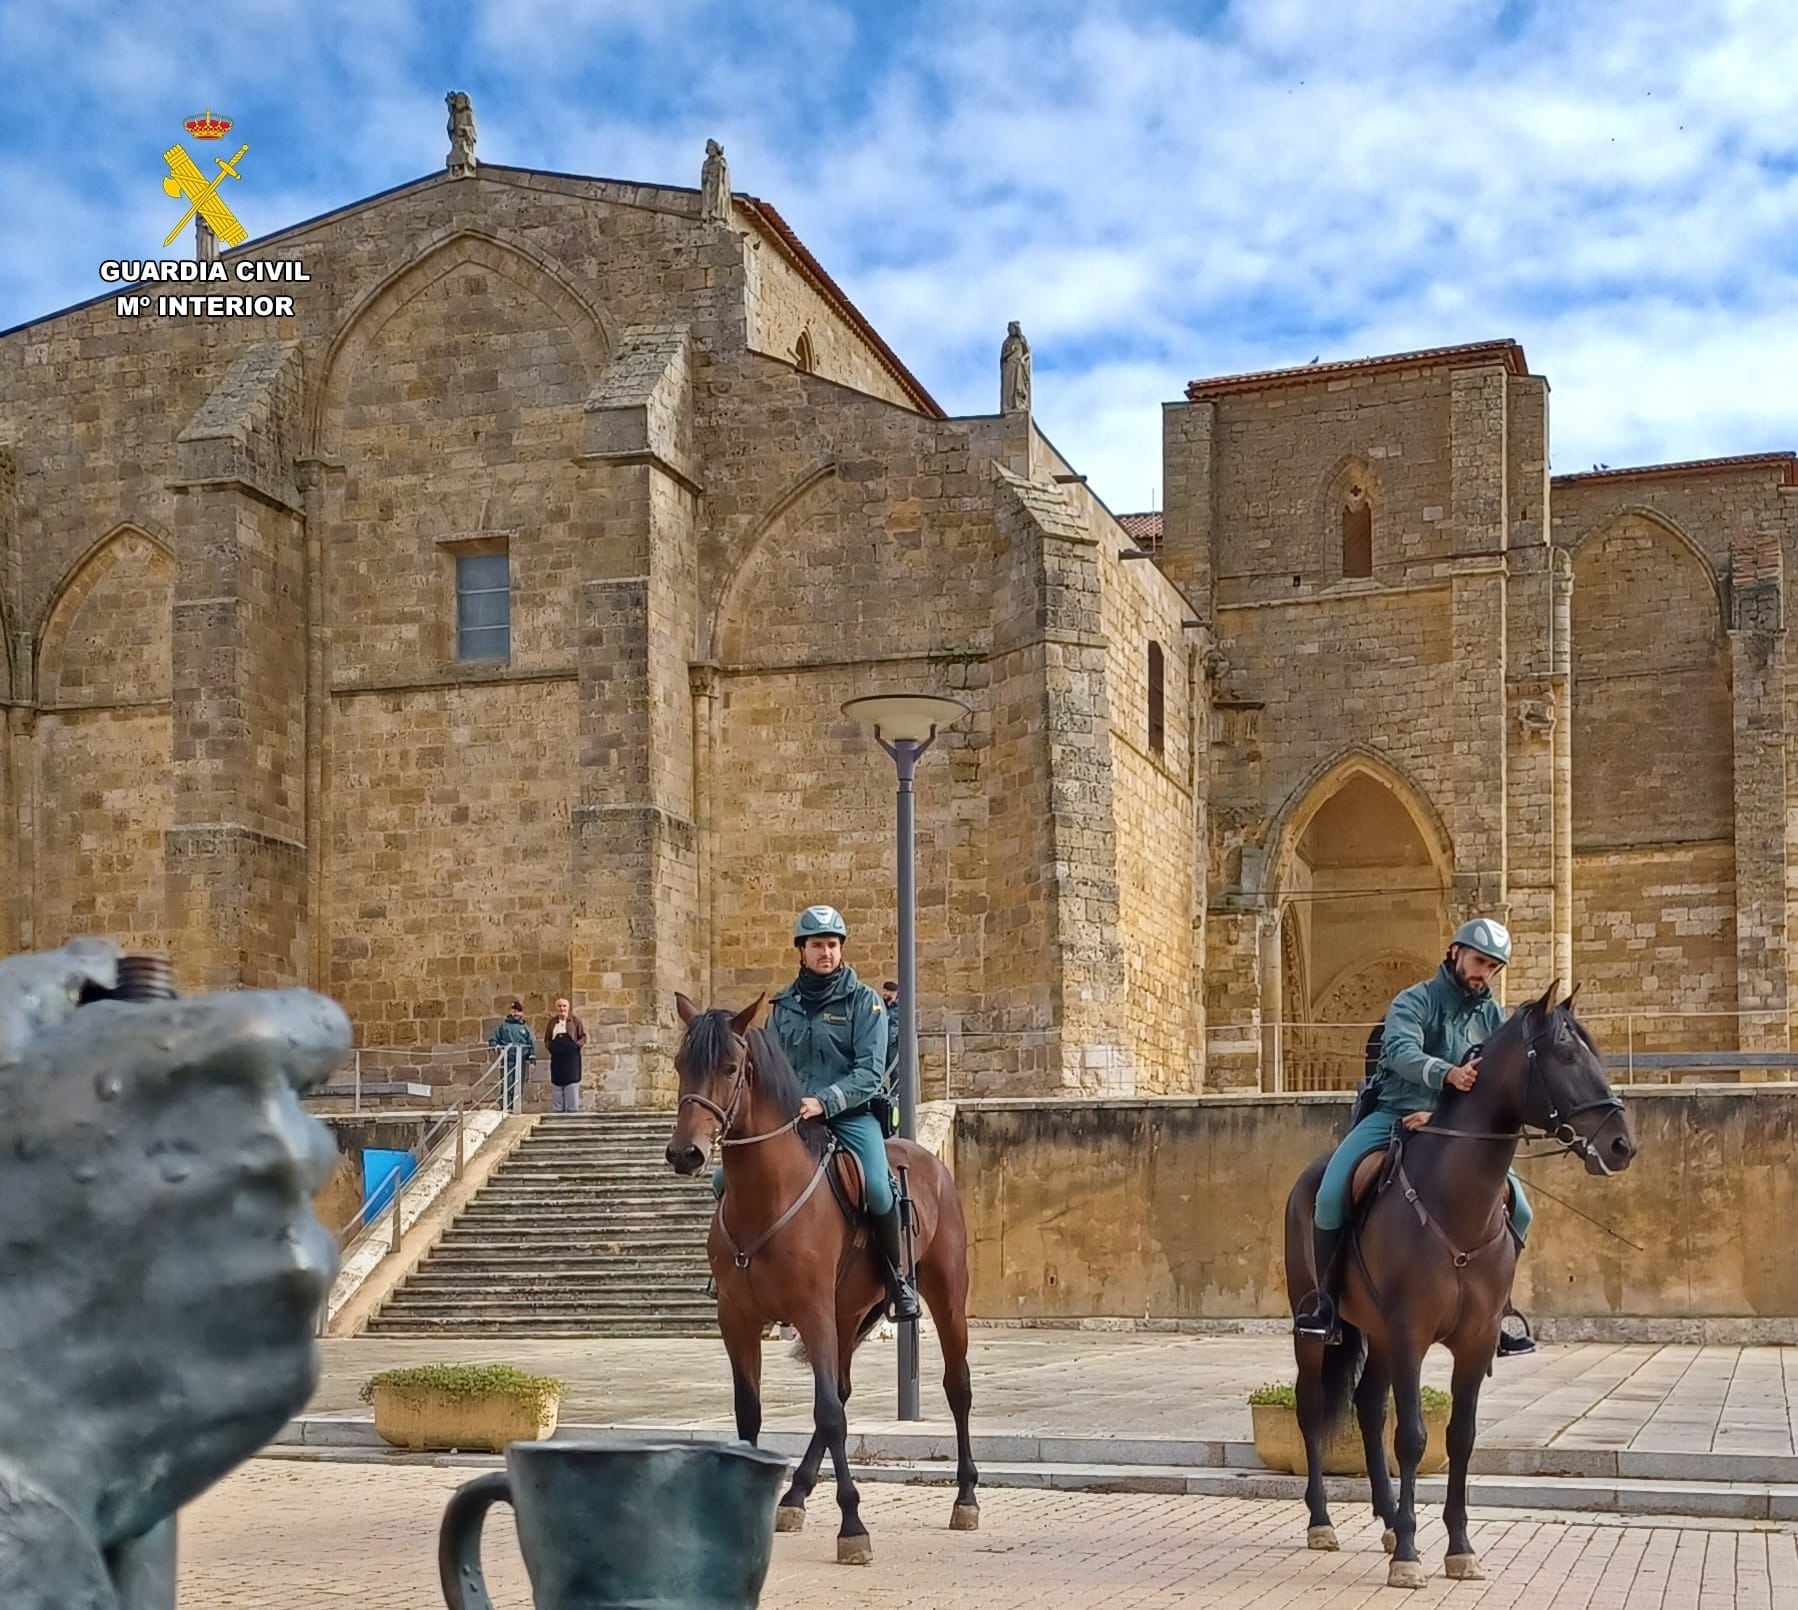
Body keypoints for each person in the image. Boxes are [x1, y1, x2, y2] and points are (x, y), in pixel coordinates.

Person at [1294, 917, 1535, 1351]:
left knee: (1522, 1212)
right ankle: (1325, 1303)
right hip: (1391, 1114)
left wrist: (1447, 1113)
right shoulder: (1415, 1000)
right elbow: (1400, 1051)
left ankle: (1494, 1314)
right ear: (1454, 952)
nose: (1485, 974)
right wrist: (1447, 1076)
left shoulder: (1492, 1015)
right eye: (1480, 961)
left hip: (1454, 1129)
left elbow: (1495, 1077)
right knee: (1330, 1193)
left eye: (1494, 967)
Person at [716, 905, 918, 1321]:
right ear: (801, 951)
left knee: (879, 1188)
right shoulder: (783, 1006)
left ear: (841, 950)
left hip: (848, 1115)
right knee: (723, 1179)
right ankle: (731, 1272)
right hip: (792, 1121)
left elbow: (870, 1073)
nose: (825, 952)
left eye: (832, 945)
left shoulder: (865, 1004)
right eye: (816, 945)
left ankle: (896, 1280)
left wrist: (824, 1101)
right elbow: (767, 1068)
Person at [489, 999, 535, 1108]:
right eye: (514, 1011)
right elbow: (494, 1040)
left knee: (518, 1083)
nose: (516, 1013)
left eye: (518, 1011)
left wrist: (532, 1059)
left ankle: (516, 1106)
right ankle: (505, 1107)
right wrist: (497, 1047)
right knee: (507, 1083)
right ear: (510, 1012)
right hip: (507, 1060)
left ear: (521, 1013)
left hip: (521, 1060)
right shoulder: (503, 1027)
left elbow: (530, 1043)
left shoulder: (525, 1028)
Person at [544, 996, 587, 1114]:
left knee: (572, 1083)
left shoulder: (575, 1021)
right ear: (556, 1008)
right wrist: (551, 1047)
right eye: (559, 1006)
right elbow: (547, 1039)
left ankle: (572, 1111)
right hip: (557, 1058)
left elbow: (583, 1037)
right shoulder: (552, 1023)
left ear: (568, 1008)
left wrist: (575, 1046)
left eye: (564, 1006)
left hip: (572, 1058)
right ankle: (557, 1111)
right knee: (557, 1083)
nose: (562, 1008)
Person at [881, 979, 901, 1085]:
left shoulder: (901, 1007)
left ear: (894, 993)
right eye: (884, 990)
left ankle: (896, 1097)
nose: (884, 993)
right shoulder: (880, 1006)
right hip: (882, 1043)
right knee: (880, 1070)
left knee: (896, 1072)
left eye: (887, 991)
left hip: (895, 1044)